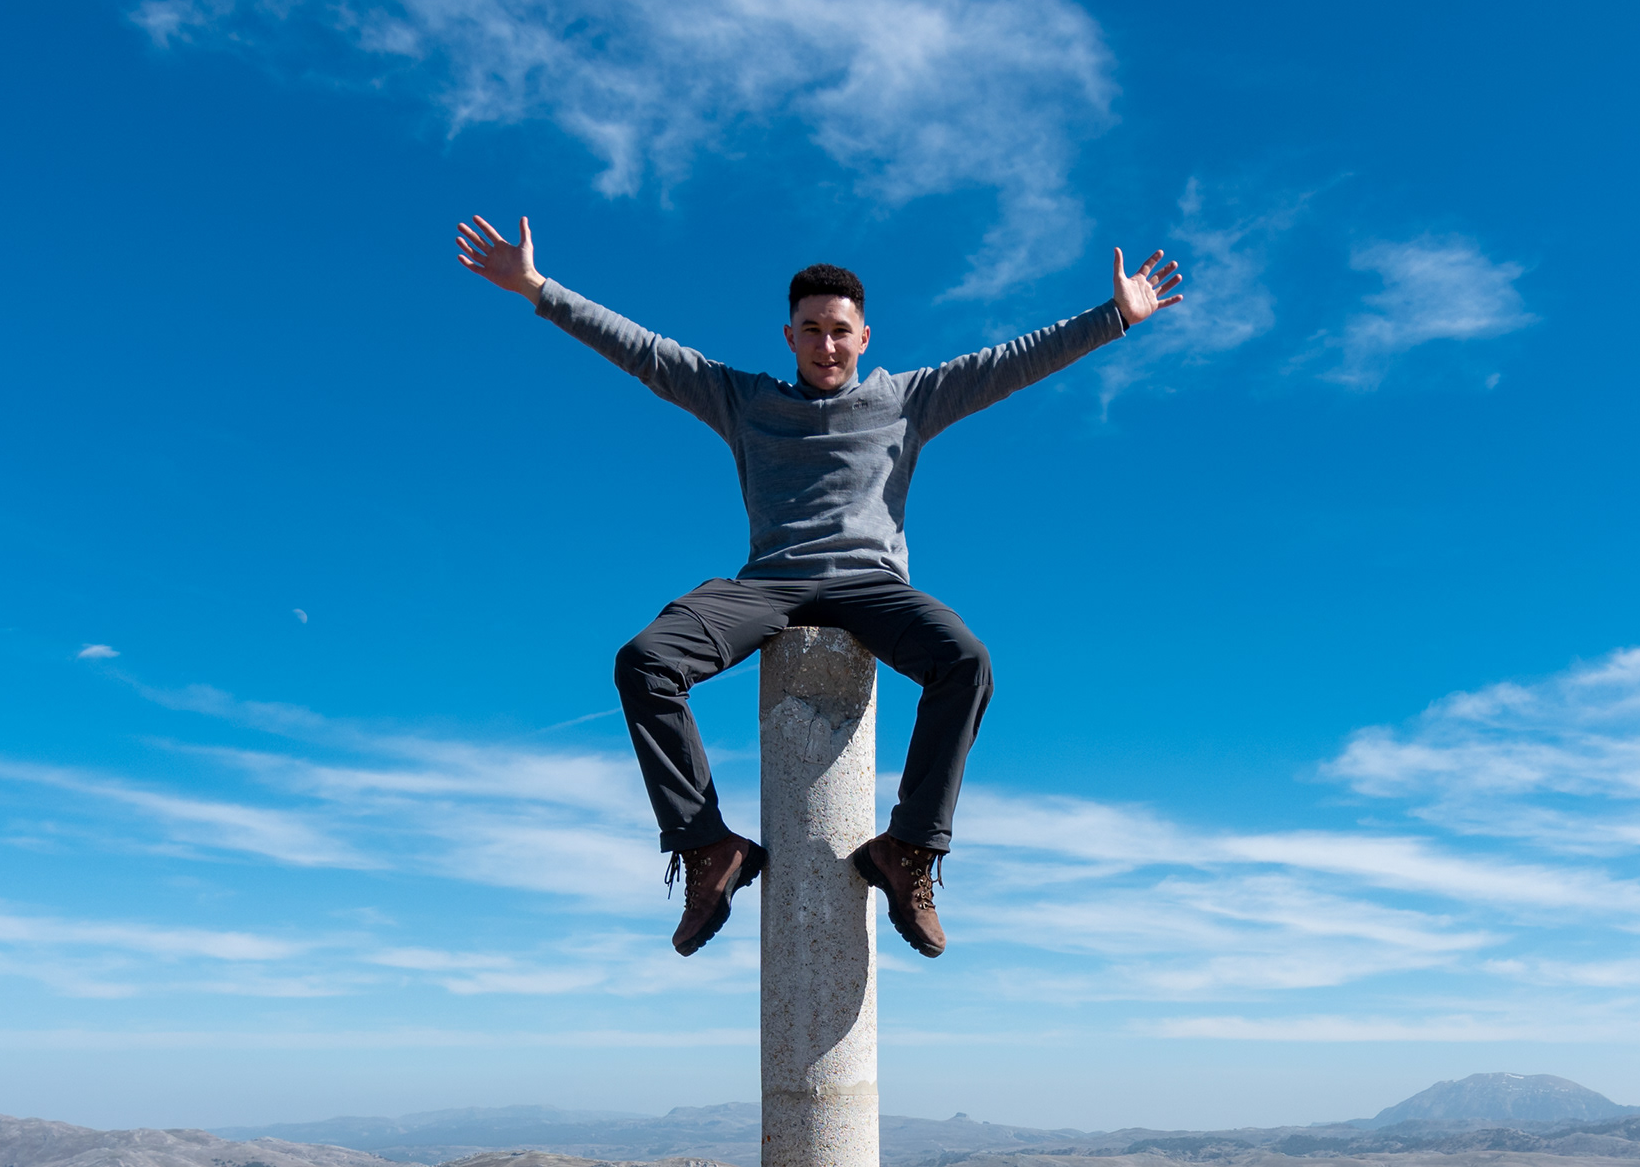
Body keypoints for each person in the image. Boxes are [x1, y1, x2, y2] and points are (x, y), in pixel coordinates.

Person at [455, 216, 1179, 957]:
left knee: (966, 660)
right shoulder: (743, 402)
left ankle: (909, 851)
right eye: (811, 330)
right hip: (768, 583)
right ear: (789, 337)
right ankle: (710, 849)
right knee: (644, 660)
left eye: (840, 330)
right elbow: (642, 351)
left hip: (872, 585)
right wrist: (537, 289)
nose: (826, 345)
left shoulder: (907, 401)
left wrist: (1116, 315)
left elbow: (1012, 362)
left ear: (864, 337)